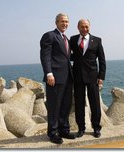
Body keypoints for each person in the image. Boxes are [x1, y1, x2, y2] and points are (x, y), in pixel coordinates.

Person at [40, 13, 76, 144]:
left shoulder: (66, 39)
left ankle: (64, 130)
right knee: (54, 106)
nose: (65, 24)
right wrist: (49, 73)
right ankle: (53, 132)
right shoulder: (49, 35)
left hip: (67, 78)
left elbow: (67, 57)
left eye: (66, 21)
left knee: (66, 105)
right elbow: (45, 56)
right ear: (56, 22)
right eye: (62, 21)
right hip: (54, 78)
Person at [70, 19, 106, 138]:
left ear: (89, 27)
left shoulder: (97, 40)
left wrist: (101, 76)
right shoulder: (73, 39)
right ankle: (81, 128)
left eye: (86, 27)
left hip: (92, 77)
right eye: (82, 27)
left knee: (95, 104)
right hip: (78, 77)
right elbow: (69, 56)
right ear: (78, 27)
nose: (84, 29)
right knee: (79, 104)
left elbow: (101, 60)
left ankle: (96, 128)